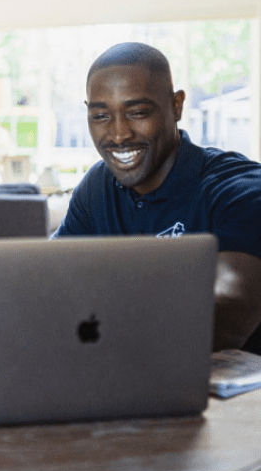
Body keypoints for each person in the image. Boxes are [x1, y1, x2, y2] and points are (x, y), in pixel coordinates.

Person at [53, 41, 261, 352]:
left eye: (137, 112)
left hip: (234, 392)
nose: (119, 133)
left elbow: (230, 315)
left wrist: (101, 341)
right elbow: (48, 282)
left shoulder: (237, 188)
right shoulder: (97, 186)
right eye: (101, 117)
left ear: (176, 106)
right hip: (125, 378)